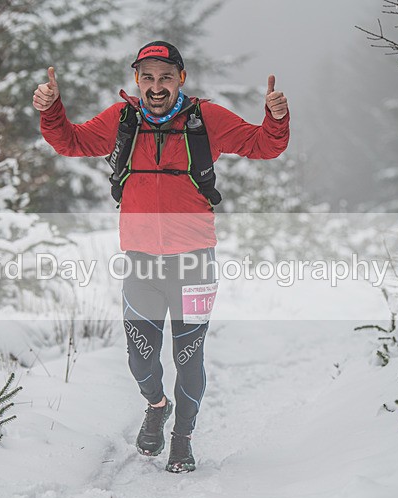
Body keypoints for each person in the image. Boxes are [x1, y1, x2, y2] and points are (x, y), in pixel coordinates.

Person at [33, 41, 289, 473]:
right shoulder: (122, 120)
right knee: (140, 359)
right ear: (137, 80)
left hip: (194, 263)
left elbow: (264, 145)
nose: (156, 86)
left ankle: (183, 440)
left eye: (165, 77)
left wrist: (276, 118)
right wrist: (51, 109)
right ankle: (156, 404)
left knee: (188, 357)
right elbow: (71, 142)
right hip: (141, 262)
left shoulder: (206, 118)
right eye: (147, 77)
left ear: (181, 80)